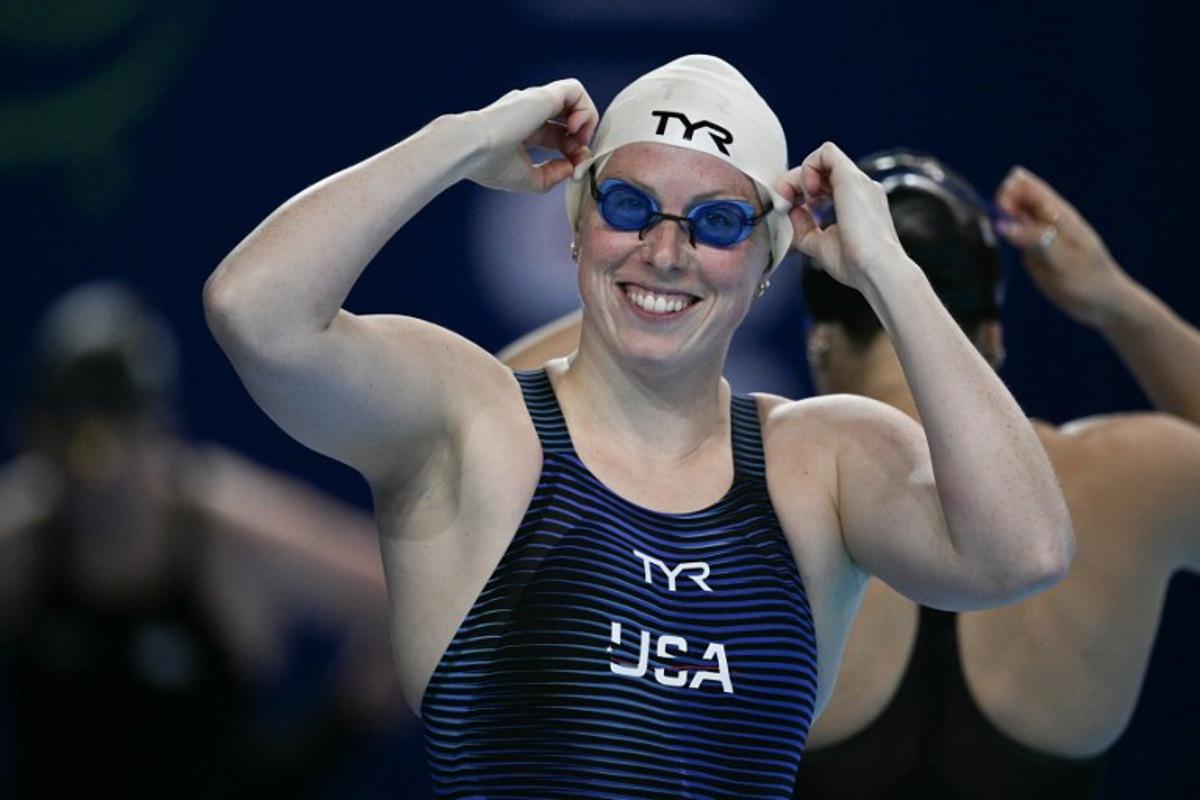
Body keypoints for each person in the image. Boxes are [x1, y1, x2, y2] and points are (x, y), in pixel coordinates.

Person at [203, 55, 1073, 798]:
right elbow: (255, 312)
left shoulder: (818, 464)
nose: (665, 251)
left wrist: (887, 271)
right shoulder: (476, 423)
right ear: (577, 227)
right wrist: (460, 140)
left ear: (768, 263)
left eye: (719, 222)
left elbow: (1023, 550)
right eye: (628, 206)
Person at [791, 152, 1200, 798]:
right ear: (992, 338)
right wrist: (1118, 303)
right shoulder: (1135, 476)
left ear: (821, 340)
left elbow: (574, 402)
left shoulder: (766, 477)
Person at [0, 283, 403, 797]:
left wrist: (323, 746)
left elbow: (404, 599)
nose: (103, 475)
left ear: (159, 431)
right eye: (76, 440)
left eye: (118, 436)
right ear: (36, 435)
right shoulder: (19, 538)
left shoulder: (229, 533)